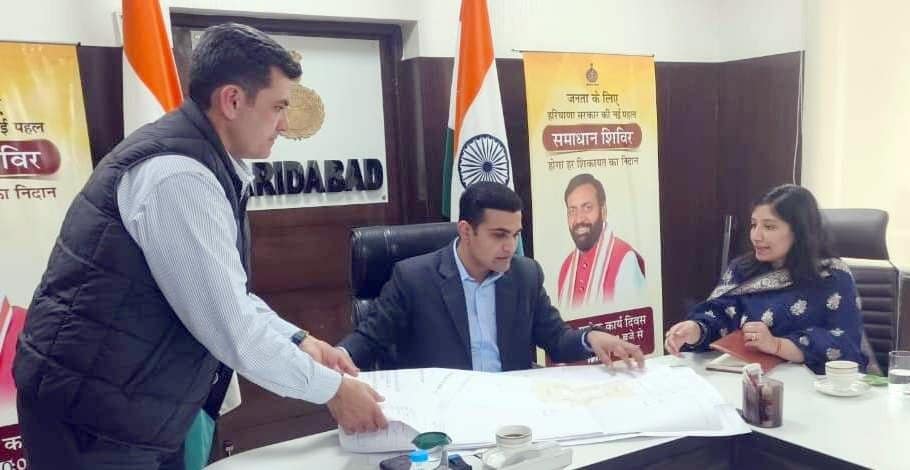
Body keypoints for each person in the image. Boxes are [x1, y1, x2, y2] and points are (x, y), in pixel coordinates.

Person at [13, 23, 385, 470]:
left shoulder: (206, 163)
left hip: (126, 406)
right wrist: (334, 391)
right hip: (94, 422)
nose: (285, 125)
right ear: (232, 100)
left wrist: (299, 339)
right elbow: (232, 329)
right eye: (278, 107)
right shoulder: (178, 176)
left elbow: (226, 295)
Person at [338, 182, 645, 373]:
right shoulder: (414, 279)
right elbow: (368, 340)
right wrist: (336, 360)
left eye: (515, 234)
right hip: (448, 416)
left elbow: (556, 339)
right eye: (499, 235)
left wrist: (591, 338)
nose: (510, 247)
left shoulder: (525, 275)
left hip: (512, 415)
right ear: (465, 231)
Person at [664, 184, 868, 374]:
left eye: (769, 227)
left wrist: (777, 345)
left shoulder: (831, 276)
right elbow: (721, 314)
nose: (756, 236)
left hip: (811, 385)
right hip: (745, 378)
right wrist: (696, 329)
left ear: (800, 231)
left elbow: (845, 345)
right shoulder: (742, 268)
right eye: (754, 225)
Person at [557, 173, 645, 310]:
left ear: (603, 211)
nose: (579, 219)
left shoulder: (624, 258)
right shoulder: (566, 268)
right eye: (572, 211)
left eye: (587, 207)